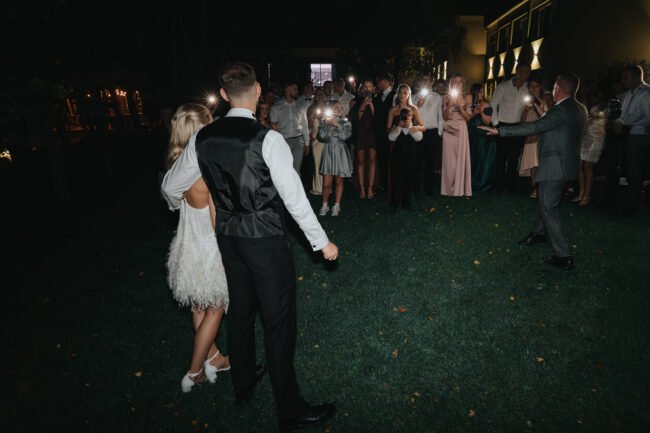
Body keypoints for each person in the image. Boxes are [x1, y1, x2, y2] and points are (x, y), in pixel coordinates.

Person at [161, 62, 337, 431]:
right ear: (257, 90)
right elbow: (294, 198)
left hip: (228, 239)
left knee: (240, 314)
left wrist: (182, 209)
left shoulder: (202, 139)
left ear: (224, 94)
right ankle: (289, 408)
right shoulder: (267, 139)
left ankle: (242, 385)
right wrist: (322, 243)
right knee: (278, 323)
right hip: (265, 241)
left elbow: (170, 186)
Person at [480, 74, 588, 271]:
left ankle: (564, 256)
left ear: (558, 89)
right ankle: (539, 233)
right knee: (547, 201)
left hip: (555, 166)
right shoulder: (580, 108)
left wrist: (501, 131)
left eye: (553, 87)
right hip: (568, 165)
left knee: (548, 207)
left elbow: (536, 126)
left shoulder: (561, 110)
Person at [164, 103, 231, 393]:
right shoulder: (207, 168)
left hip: (189, 244)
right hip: (210, 247)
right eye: (210, 121)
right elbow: (217, 218)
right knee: (216, 308)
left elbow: (174, 198)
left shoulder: (176, 166)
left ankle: (214, 358)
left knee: (199, 306)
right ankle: (194, 373)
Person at [490, 62, 532, 193]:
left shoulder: (527, 89)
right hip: (502, 124)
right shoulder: (503, 87)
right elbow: (493, 105)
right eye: (525, 72)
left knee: (514, 157)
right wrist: (496, 124)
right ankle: (498, 185)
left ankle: (510, 186)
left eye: (529, 72)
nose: (527, 75)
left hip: (517, 127)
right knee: (501, 157)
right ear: (518, 72)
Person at [615, 65, 650, 216]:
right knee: (632, 171)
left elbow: (648, 116)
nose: (623, 81)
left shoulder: (646, 92)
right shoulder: (629, 93)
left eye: (626, 77)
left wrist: (623, 122)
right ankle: (631, 204)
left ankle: (632, 206)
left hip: (641, 136)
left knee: (636, 172)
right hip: (631, 136)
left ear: (636, 77)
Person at [317, 101, 353, 216]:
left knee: (339, 180)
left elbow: (345, 136)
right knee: (326, 183)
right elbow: (321, 137)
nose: (339, 109)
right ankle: (325, 205)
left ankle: (337, 205)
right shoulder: (323, 122)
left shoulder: (346, 122)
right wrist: (328, 125)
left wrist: (337, 125)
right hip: (328, 152)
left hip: (341, 152)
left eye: (340, 107)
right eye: (336, 107)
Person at [518, 79, 552, 198]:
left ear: (540, 87)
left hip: (541, 137)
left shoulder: (546, 99)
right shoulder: (527, 102)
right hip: (530, 137)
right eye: (531, 86)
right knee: (533, 164)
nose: (533, 88)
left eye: (536, 86)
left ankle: (543, 189)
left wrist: (537, 104)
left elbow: (545, 118)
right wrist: (526, 110)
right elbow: (522, 122)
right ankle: (535, 188)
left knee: (541, 164)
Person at [576, 80, 607, 207]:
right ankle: (581, 192)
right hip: (584, 136)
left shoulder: (603, 104)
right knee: (579, 166)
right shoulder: (584, 102)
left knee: (588, 166)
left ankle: (587, 195)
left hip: (596, 137)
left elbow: (605, 121)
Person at [441, 74, 472, 197]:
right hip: (448, 129)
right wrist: (449, 104)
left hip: (461, 127)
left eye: (460, 82)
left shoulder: (467, 97)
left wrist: (460, 108)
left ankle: (460, 188)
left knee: (460, 158)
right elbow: (444, 117)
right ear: (451, 83)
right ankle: (448, 189)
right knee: (448, 160)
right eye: (455, 81)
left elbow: (468, 118)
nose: (458, 84)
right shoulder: (445, 97)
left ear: (463, 84)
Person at [413, 74, 444, 196]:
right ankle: (415, 188)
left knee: (430, 163)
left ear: (432, 82)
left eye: (427, 80)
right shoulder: (414, 97)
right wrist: (418, 105)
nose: (425, 82)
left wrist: (439, 133)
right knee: (417, 162)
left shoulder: (437, 97)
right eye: (423, 79)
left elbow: (440, 116)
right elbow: (410, 116)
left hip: (432, 133)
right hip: (418, 131)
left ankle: (429, 188)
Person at [270, 82, 311, 173]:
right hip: (284, 141)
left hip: (298, 141)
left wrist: (307, 144)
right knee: (284, 169)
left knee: (296, 170)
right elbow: (273, 125)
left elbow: (305, 126)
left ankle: (296, 183)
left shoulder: (300, 106)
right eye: (295, 89)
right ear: (288, 90)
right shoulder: (276, 107)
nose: (297, 91)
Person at [388, 107, 423, 210]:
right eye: (404, 116)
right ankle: (395, 203)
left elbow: (419, 138)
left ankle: (406, 202)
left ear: (412, 117)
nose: (406, 118)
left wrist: (410, 128)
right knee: (396, 180)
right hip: (398, 158)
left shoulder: (414, 128)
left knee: (409, 180)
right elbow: (391, 137)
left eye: (408, 116)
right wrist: (399, 127)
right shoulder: (397, 127)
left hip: (411, 158)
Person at [467, 83, 496, 193]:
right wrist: (473, 113)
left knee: (481, 159)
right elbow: (467, 120)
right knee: (472, 158)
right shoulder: (471, 104)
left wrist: (481, 112)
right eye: (480, 91)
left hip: (482, 136)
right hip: (472, 135)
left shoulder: (485, 104)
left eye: (482, 91)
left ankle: (481, 183)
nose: (482, 94)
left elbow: (488, 122)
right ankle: (469, 181)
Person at [373, 71, 397, 191]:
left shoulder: (395, 95)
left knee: (392, 159)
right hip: (380, 133)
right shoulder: (378, 96)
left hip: (391, 132)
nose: (377, 84)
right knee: (382, 158)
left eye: (378, 81)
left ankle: (391, 183)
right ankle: (384, 183)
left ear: (384, 81)